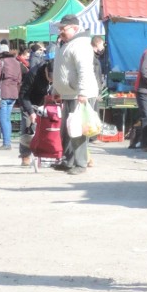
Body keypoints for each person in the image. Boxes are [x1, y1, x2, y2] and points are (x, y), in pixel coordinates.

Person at [52, 14, 99, 174]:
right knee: (67, 129)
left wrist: (83, 92)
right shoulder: (66, 44)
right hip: (69, 94)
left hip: (80, 94)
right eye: (59, 28)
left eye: (63, 28)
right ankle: (68, 160)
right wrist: (56, 89)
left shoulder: (80, 45)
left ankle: (80, 164)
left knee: (78, 129)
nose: (60, 31)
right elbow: (61, 70)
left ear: (75, 28)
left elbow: (84, 70)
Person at [0, 43, 23, 150]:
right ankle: (7, 142)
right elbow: (19, 79)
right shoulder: (17, 62)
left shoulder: (0, 62)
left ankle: (6, 143)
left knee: (3, 119)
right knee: (7, 119)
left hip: (2, 93)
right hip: (13, 93)